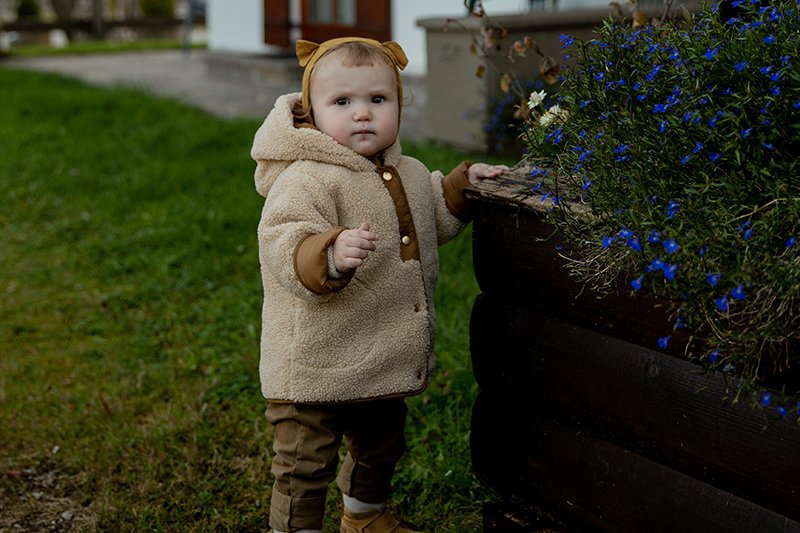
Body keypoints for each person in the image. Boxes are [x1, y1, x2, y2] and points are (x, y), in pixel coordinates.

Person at [251, 36, 508, 533]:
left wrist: (462, 185)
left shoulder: (406, 172)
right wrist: (328, 252)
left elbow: (432, 211)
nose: (362, 113)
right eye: (342, 102)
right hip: (312, 362)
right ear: (311, 113)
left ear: (399, 103)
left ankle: (365, 517)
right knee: (305, 463)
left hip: (377, 355)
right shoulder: (307, 178)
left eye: (378, 99)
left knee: (382, 443)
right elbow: (283, 240)